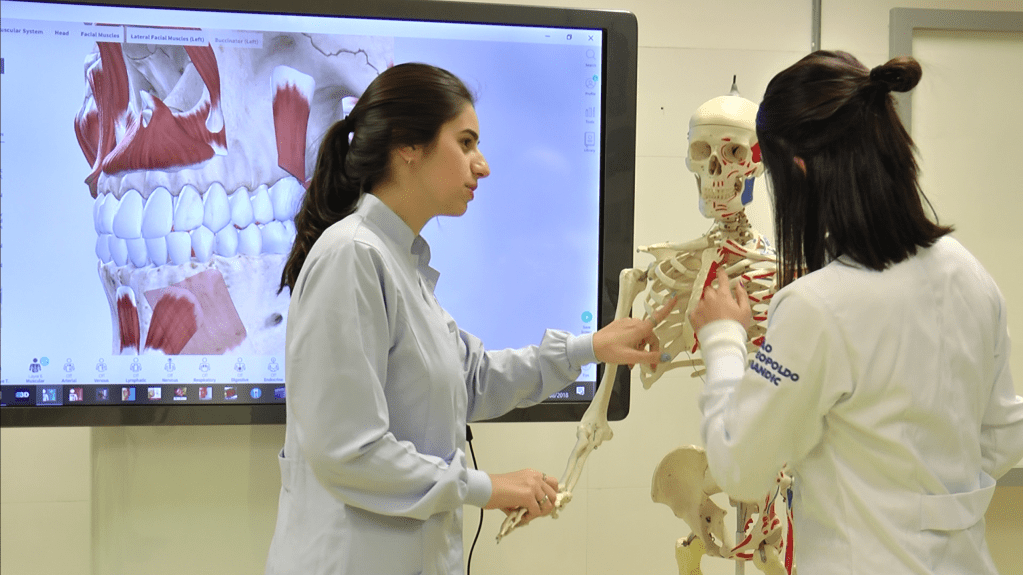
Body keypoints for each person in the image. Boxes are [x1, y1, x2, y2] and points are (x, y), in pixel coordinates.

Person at [264, 62, 674, 575]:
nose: (482, 165)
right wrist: (488, 487)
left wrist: (591, 348)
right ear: (407, 145)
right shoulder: (352, 256)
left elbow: (473, 378)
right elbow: (349, 451)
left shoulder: (400, 264)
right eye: (465, 143)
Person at [689, 51, 1023, 575]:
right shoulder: (969, 274)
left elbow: (740, 470)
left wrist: (723, 338)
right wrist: (926, 505)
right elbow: (1006, 436)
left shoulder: (817, 307)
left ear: (797, 169)